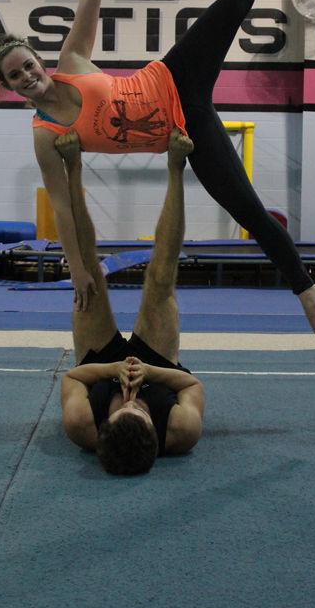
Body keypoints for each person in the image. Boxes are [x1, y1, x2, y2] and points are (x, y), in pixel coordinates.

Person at [0, 0, 315, 339]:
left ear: (39, 60)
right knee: (247, 209)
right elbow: (63, 207)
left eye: (28, 65)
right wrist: (78, 268)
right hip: (186, 134)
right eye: (17, 76)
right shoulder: (46, 136)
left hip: (177, 74)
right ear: (11, 88)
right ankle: (307, 290)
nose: (29, 76)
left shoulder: (71, 60)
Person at [58, 128, 205, 475]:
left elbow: (72, 380)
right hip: (158, 369)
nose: (129, 398)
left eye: (122, 408)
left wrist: (112, 370)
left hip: (99, 369)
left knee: (87, 276)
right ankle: (175, 167)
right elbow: (193, 384)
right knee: (161, 280)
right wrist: (150, 373)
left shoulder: (82, 424)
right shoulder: (181, 429)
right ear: (156, 431)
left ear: (102, 427)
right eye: (138, 409)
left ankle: (73, 167)